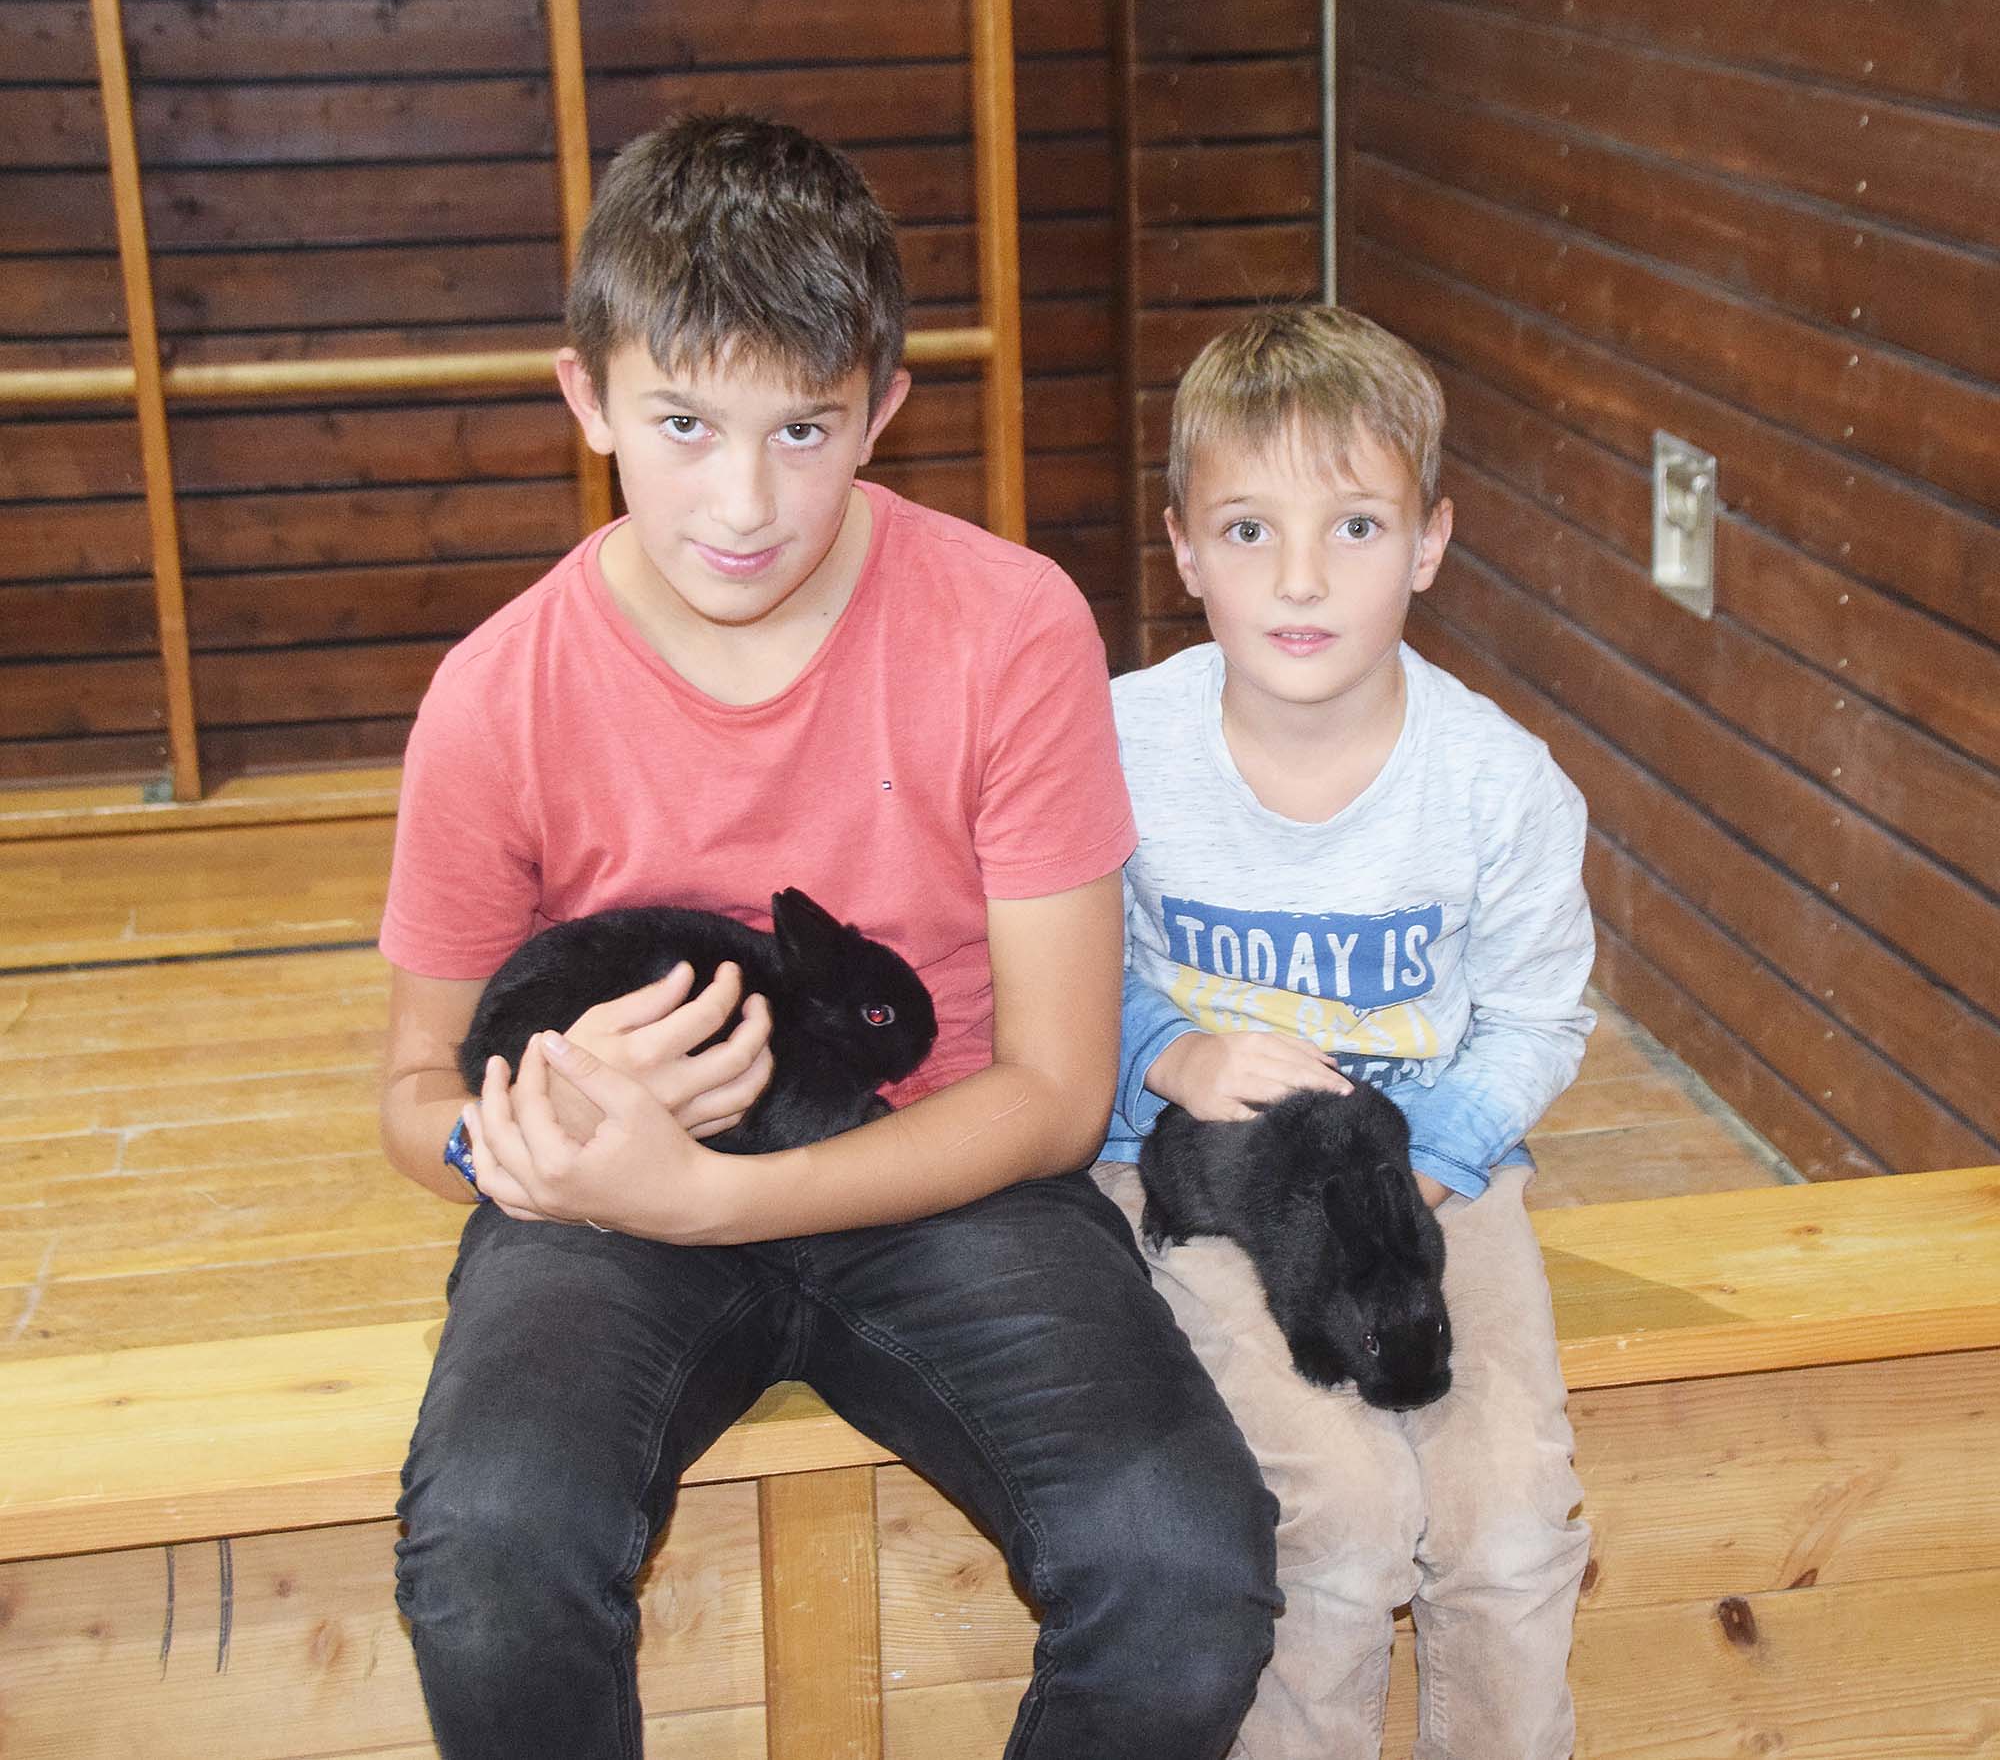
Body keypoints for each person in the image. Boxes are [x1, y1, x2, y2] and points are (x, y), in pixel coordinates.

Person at [376, 113, 1281, 1759]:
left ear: (882, 408)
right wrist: (514, 1135)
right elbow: (412, 1092)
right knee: (491, 1552)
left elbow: (1058, 1094)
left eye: (803, 428)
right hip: (605, 1207)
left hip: (945, 1172)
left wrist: (721, 1196)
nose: (743, 500)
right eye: (684, 424)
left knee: (1184, 1568)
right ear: (587, 397)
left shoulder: (1011, 625)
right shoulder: (496, 691)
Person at [1093, 305, 1596, 1760]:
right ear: (1184, 548)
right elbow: (1040, 966)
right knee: (1339, 1517)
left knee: (1511, 1528)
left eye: (1357, 527)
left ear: (1430, 542)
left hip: (1437, 1179)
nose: (1301, 578)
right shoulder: (1114, 746)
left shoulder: (1499, 783)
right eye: (1249, 530)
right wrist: (1171, 1051)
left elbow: (1537, 1014)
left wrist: (1427, 1160)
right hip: (1200, 1186)